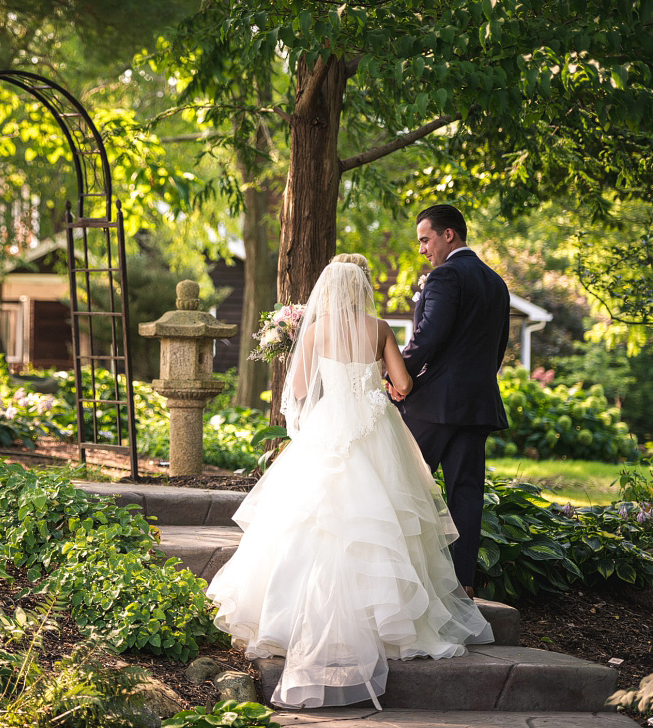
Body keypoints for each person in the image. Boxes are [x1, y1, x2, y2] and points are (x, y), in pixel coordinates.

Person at [206, 253, 493, 711]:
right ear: (360, 288)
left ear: (328, 290)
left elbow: (298, 391)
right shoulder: (379, 327)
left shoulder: (315, 331)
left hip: (329, 425)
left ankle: (285, 620)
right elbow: (402, 383)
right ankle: (391, 619)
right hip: (377, 426)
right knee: (389, 515)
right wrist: (385, 386)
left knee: (314, 518)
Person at [389, 205, 510, 599]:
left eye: (425, 239)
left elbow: (428, 336)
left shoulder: (445, 276)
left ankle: (401, 579)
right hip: (477, 406)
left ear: (448, 236)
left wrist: (397, 377)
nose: (423, 249)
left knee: (402, 484)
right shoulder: (496, 282)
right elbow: (498, 349)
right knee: (466, 493)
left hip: (434, 406)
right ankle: (462, 586)